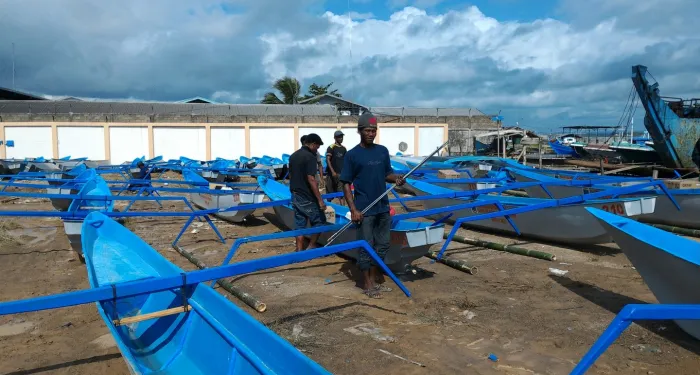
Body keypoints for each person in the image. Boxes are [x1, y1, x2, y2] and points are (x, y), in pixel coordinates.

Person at [340, 112, 405, 298]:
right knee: (366, 246)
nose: (371, 133)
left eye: (374, 130)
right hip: (364, 210)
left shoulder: (382, 151)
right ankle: (367, 283)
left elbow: (387, 174)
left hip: (382, 207)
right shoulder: (352, 155)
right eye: (368, 130)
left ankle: (375, 277)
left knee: (383, 245)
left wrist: (396, 179)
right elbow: (345, 182)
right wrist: (353, 209)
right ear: (359, 131)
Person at [289, 133, 327, 251]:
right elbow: (311, 179)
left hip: (295, 194)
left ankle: (299, 250)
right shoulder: (310, 157)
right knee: (320, 221)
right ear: (312, 144)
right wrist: (320, 200)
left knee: (300, 224)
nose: (317, 149)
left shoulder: (293, 156)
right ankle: (311, 246)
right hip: (306, 195)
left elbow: (291, 175)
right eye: (317, 146)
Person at [325, 130, 347, 204]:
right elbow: (328, 159)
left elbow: (345, 161)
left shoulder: (344, 149)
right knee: (329, 193)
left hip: (341, 174)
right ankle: (328, 209)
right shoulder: (331, 147)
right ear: (335, 138)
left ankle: (343, 209)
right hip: (331, 174)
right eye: (339, 137)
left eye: (342, 137)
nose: (341, 138)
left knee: (341, 193)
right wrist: (333, 172)